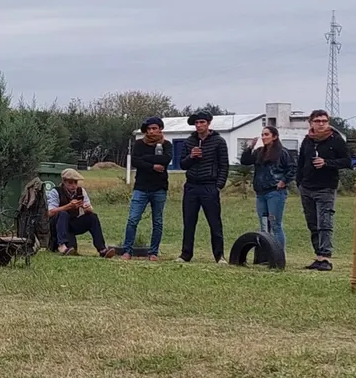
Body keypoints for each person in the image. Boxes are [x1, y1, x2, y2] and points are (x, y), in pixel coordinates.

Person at [296, 109, 351, 271]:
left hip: (326, 187)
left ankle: (326, 257)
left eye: (324, 121)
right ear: (311, 122)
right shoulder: (307, 140)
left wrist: (326, 163)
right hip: (306, 187)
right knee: (312, 224)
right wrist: (299, 182)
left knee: (324, 223)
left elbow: (347, 161)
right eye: (318, 121)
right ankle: (318, 256)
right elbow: (301, 162)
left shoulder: (336, 140)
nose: (321, 124)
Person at [177, 111, 229, 264]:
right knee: (189, 222)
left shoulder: (219, 141)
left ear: (209, 123)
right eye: (197, 123)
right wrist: (191, 156)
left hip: (209, 186)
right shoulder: (188, 142)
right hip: (192, 186)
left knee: (214, 223)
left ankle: (219, 256)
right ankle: (185, 254)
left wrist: (218, 186)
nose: (199, 126)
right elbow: (182, 164)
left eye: (202, 122)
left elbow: (223, 165)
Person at [122, 116, 172, 261]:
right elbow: (135, 161)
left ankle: (153, 252)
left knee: (157, 222)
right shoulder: (139, 144)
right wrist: (152, 166)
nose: (151, 132)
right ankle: (127, 251)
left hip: (159, 188)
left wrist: (145, 159)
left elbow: (166, 159)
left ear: (160, 129)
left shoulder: (167, 145)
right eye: (149, 129)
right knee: (133, 219)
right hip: (141, 188)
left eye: (154, 128)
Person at [240, 126, 295, 250]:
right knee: (264, 225)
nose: (263, 137)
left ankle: (279, 255)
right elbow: (245, 161)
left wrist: (283, 181)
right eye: (262, 135)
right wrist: (250, 148)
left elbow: (292, 168)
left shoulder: (283, 152)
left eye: (266, 134)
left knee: (275, 224)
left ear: (274, 136)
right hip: (261, 193)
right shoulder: (259, 152)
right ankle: (266, 254)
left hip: (275, 192)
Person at [47, 168, 116, 258]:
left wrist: (86, 208)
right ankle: (61, 245)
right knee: (63, 214)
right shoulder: (55, 192)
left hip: (72, 224)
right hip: (57, 226)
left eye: (75, 182)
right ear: (64, 181)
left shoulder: (81, 191)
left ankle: (102, 249)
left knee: (92, 217)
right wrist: (68, 206)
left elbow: (90, 208)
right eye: (70, 183)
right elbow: (50, 212)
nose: (74, 186)